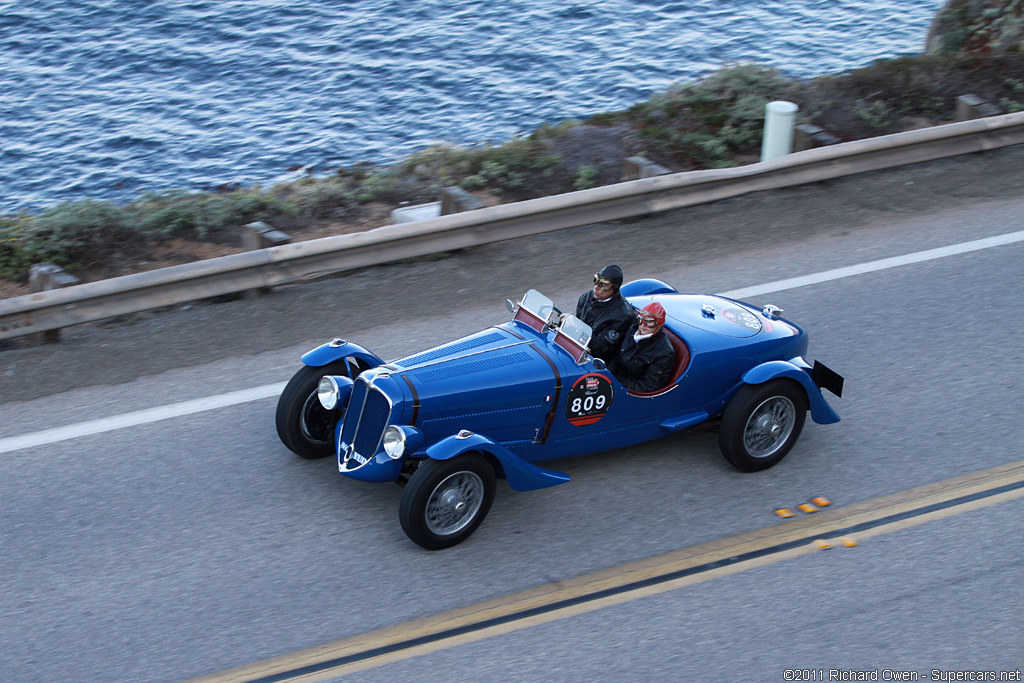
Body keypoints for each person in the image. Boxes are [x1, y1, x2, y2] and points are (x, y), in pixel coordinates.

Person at [608, 301, 676, 392]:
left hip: (630, 391)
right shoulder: (632, 330)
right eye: (641, 319)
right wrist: (607, 373)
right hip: (617, 380)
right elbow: (616, 355)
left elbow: (648, 386)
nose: (643, 324)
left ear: (658, 323)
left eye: (649, 322)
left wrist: (615, 383)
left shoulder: (664, 352)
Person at [575, 264, 634, 361]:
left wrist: (581, 330)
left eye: (603, 285)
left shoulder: (622, 315)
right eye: (596, 280)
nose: (596, 287)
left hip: (602, 362)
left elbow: (601, 348)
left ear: (614, 288)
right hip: (580, 348)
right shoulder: (585, 297)